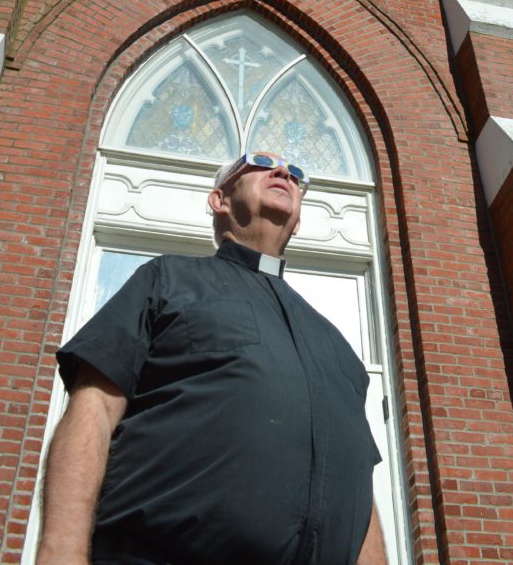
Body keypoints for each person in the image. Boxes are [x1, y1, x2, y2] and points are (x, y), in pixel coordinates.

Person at [35, 150, 388, 565]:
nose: (283, 172)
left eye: (295, 174)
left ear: (298, 219)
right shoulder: (167, 280)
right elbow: (92, 409)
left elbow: (357, 485)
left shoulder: (336, 345)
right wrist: (61, 552)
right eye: (259, 162)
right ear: (218, 200)